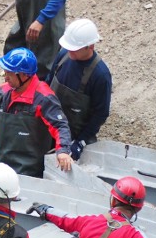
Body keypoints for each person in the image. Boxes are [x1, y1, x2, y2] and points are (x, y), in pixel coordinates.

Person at [0, 47, 73, 178]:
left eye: (9, 73)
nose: (5, 77)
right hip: (0, 168)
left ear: (24, 75)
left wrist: (63, 151)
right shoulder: (2, 92)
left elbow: (60, 126)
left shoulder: (44, 98)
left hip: (30, 173)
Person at [45, 18, 112, 161]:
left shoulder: (100, 75)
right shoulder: (64, 55)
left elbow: (100, 114)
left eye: (74, 48)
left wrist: (81, 141)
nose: (70, 51)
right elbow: (48, 82)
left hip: (72, 135)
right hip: (47, 127)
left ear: (90, 46)